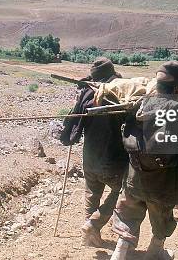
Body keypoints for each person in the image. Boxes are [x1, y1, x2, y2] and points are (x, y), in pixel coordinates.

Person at [111, 61, 178, 260]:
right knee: (162, 219)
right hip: (165, 185)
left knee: (129, 214)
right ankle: (154, 252)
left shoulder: (138, 105)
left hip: (135, 178)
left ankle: (119, 254)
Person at [60, 57, 128, 247]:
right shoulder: (117, 92)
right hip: (112, 158)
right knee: (123, 190)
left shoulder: (85, 93)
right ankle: (93, 224)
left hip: (89, 156)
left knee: (92, 193)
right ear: (111, 74)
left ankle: (89, 234)